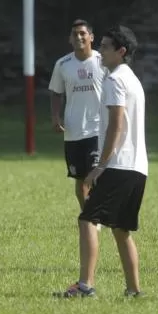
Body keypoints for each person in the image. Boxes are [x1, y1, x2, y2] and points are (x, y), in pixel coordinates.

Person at [55, 25, 147, 298]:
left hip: (119, 166)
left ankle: (85, 286)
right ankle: (133, 290)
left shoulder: (114, 80)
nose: (101, 52)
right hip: (138, 167)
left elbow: (116, 127)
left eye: (105, 47)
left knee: (87, 220)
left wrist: (100, 166)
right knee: (121, 230)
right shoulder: (132, 78)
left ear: (121, 52)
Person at [48, 19, 105, 211]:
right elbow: (56, 92)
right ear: (70, 39)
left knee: (95, 174)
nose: (79, 37)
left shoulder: (102, 61)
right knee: (80, 182)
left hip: (97, 129)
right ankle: (88, 214)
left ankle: (96, 214)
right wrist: (55, 117)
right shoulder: (63, 64)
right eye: (75, 34)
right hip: (73, 130)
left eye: (83, 33)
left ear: (91, 37)